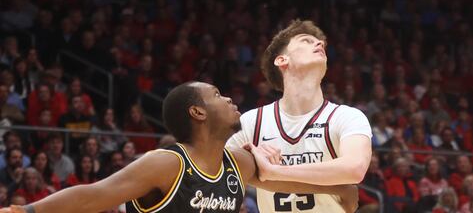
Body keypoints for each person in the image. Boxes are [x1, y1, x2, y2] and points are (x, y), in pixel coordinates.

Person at [0, 81, 358, 213]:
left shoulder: (238, 164)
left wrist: (341, 188)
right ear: (198, 111)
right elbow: (94, 195)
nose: (230, 97)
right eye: (217, 95)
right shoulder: (167, 163)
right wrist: (28, 211)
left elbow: (282, 181)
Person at [229, 19, 372, 212]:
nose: (319, 44)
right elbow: (220, 169)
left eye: (320, 43)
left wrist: (273, 172)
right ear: (282, 60)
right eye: (306, 40)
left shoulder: (347, 116)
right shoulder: (252, 121)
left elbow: (354, 168)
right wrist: (249, 161)